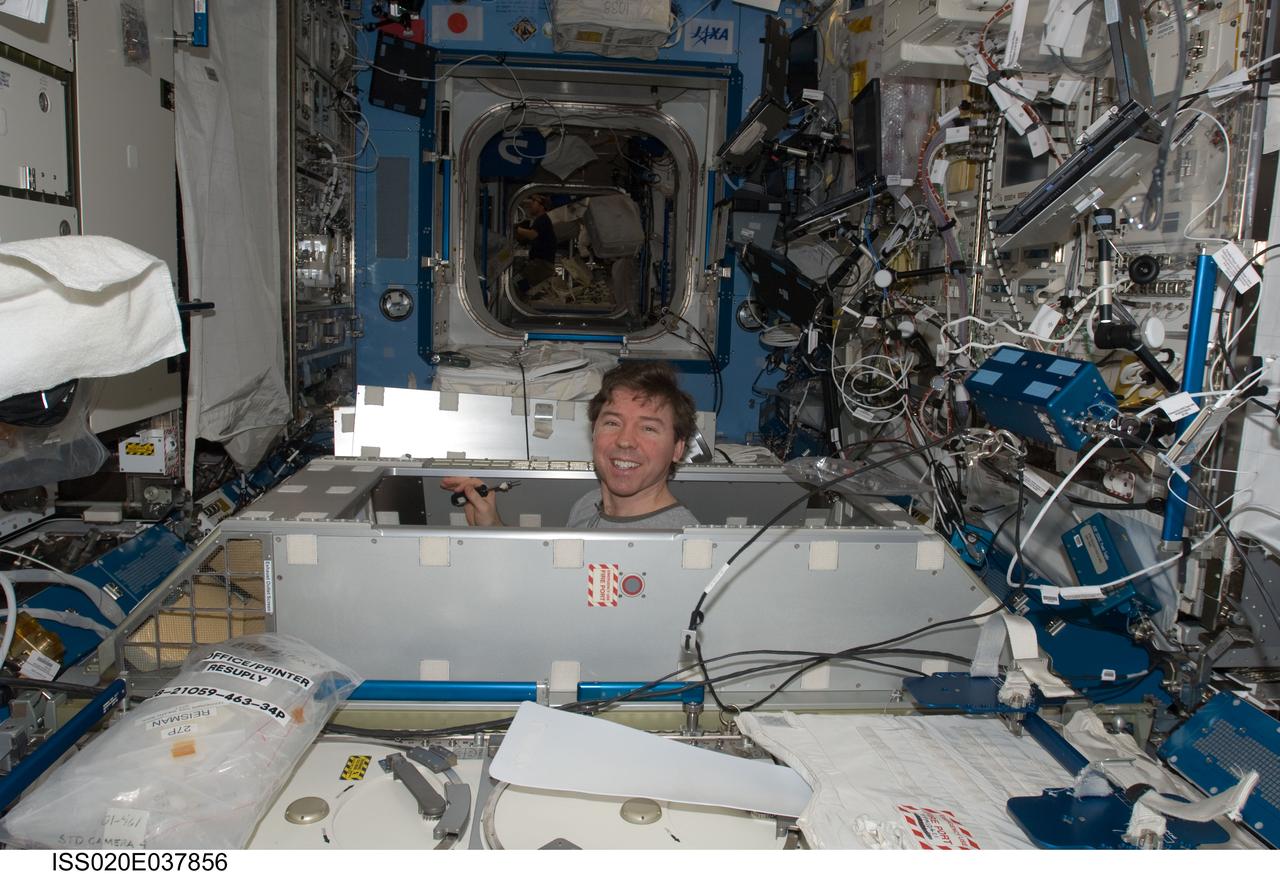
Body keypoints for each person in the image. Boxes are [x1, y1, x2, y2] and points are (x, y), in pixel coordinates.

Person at [441, 361, 699, 528]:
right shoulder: (589, 504)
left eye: (648, 428)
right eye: (612, 423)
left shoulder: (684, 544)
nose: (625, 440)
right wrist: (492, 526)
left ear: (677, 448)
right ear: (594, 432)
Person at [514, 194, 557, 293]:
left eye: (534, 202)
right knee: (522, 287)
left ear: (542, 206)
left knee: (515, 284)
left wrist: (517, 229)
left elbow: (533, 235)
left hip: (541, 265)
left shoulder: (543, 219)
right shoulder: (539, 221)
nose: (531, 205)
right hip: (541, 265)